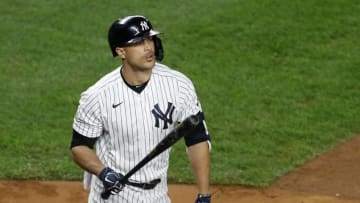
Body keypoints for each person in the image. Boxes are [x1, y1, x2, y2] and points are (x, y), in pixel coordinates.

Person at [70, 15, 211, 203]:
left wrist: (204, 194)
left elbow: (197, 138)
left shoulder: (178, 85)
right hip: (113, 198)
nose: (148, 47)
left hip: (158, 196)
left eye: (149, 39)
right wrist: (104, 172)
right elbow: (79, 146)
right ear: (121, 51)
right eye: (138, 42)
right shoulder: (98, 96)